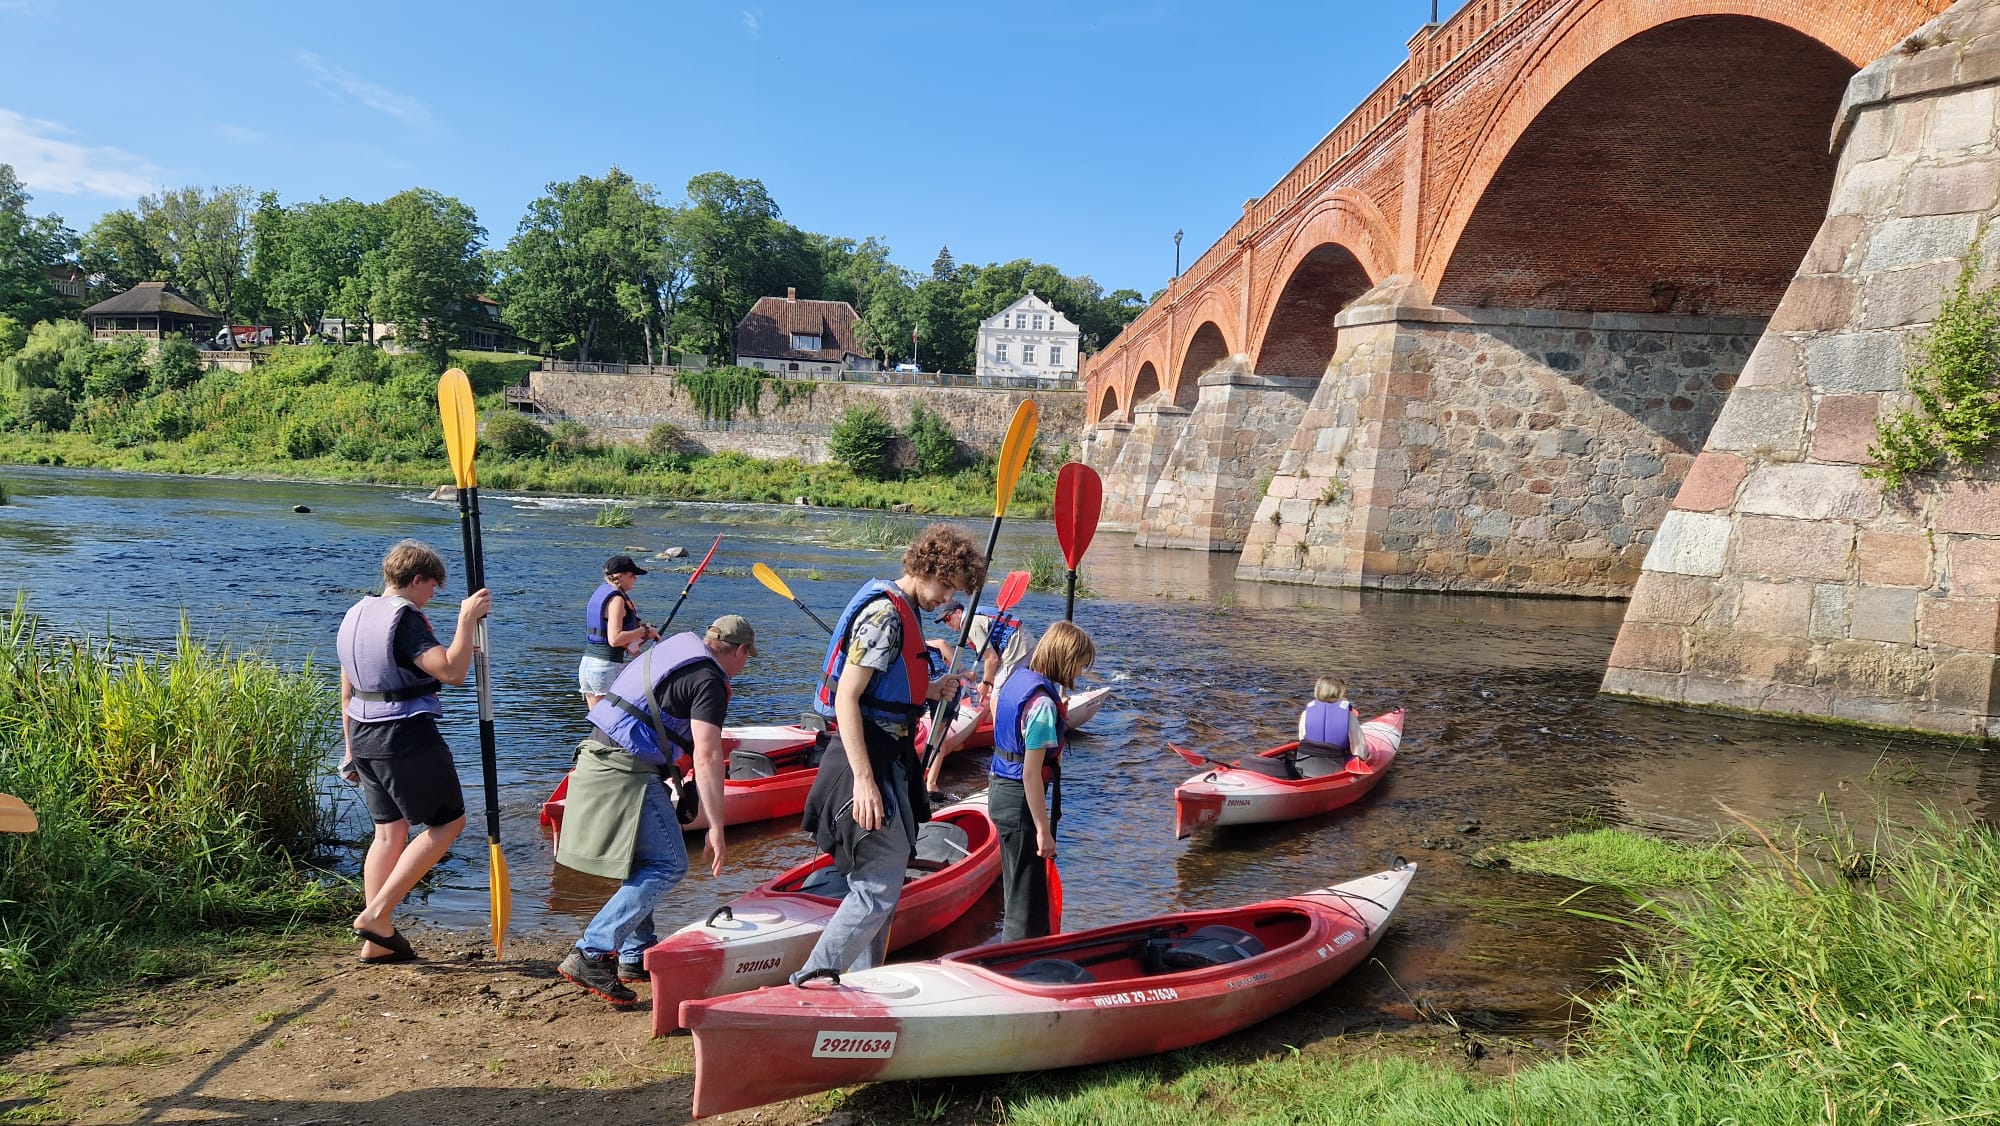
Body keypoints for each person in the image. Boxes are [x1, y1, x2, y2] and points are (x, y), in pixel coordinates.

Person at [791, 524, 986, 983]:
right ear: (927, 568)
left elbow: (886, 686)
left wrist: (931, 689)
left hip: (888, 756)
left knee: (886, 877)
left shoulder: (905, 610)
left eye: (956, 590)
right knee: (878, 882)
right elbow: (847, 698)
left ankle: (861, 980)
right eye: (946, 585)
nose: (948, 598)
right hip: (862, 761)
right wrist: (864, 781)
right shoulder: (885, 616)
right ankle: (813, 981)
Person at [555, 614, 756, 1006]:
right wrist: (716, 827)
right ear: (741, 651)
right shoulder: (709, 681)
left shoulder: (675, 648)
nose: (745, 665)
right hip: (625, 770)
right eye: (748, 657)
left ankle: (634, 955)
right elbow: (707, 754)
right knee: (669, 865)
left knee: (643, 860)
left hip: (598, 758)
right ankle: (591, 951)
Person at [337, 539, 491, 965]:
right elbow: (452, 672)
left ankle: (378, 940)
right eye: (433, 587)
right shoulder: (404, 619)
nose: (432, 596)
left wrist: (350, 750)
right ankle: (376, 917)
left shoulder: (357, 612)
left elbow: (348, 689)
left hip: (363, 734)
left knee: (389, 832)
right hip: (403, 735)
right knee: (448, 824)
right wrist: (466, 619)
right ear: (418, 579)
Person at [989, 620, 1095, 941]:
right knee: (1024, 904)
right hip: (1019, 801)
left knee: (1018, 891)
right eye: (1080, 665)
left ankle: (1020, 953)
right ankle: (1017, 962)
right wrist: (1043, 831)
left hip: (999, 789)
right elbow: (1030, 773)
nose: (1080, 673)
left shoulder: (1018, 678)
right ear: (1065, 659)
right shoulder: (1044, 705)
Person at [923, 598, 1037, 792]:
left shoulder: (971, 624)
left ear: (959, 612)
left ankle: (1005, 742)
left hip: (1018, 650)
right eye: (944, 621)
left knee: (995, 695)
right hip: (1022, 647)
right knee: (1000, 689)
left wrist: (986, 683)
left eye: (948, 618)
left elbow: (991, 659)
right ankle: (1017, 720)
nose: (948, 624)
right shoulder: (970, 623)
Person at [578, 554, 660, 710]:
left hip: (588, 666)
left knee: (598, 722)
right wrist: (643, 631)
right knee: (616, 720)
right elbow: (615, 639)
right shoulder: (617, 599)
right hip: (606, 667)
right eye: (632, 575)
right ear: (620, 576)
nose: (635, 578)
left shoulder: (601, 592)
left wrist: (641, 634)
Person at [1296, 674, 1369, 771]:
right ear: (1340, 691)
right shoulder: (1348, 715)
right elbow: (1360, 749)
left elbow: (1302, 739)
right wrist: (1365, 758)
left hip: (1307, 766)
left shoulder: (1306, 713)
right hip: (1337, 767)